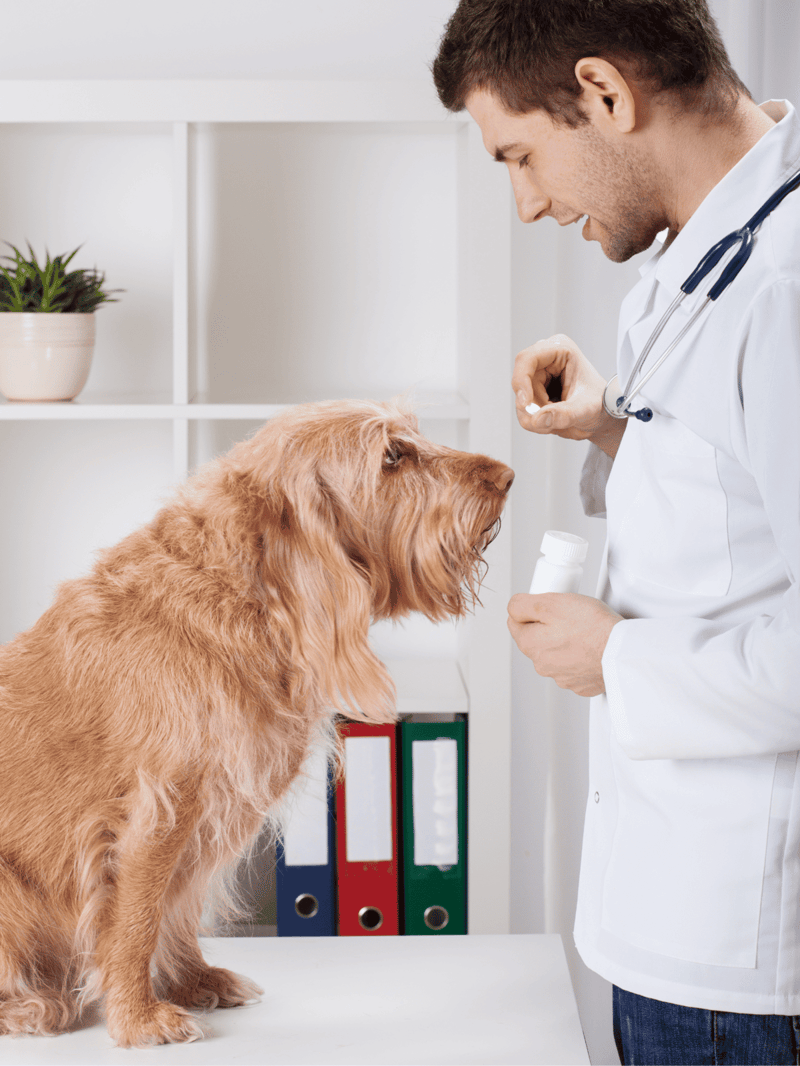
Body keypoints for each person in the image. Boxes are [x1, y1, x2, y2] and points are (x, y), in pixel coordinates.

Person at [433, 2, 800, 1064]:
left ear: (602, 93)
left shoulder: (781, 290)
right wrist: (611, 420)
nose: (525, 203)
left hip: (744, 968)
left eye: (521, 156)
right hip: (666, 925)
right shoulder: (706, 251)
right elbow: (740, 512)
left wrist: (614, 656)